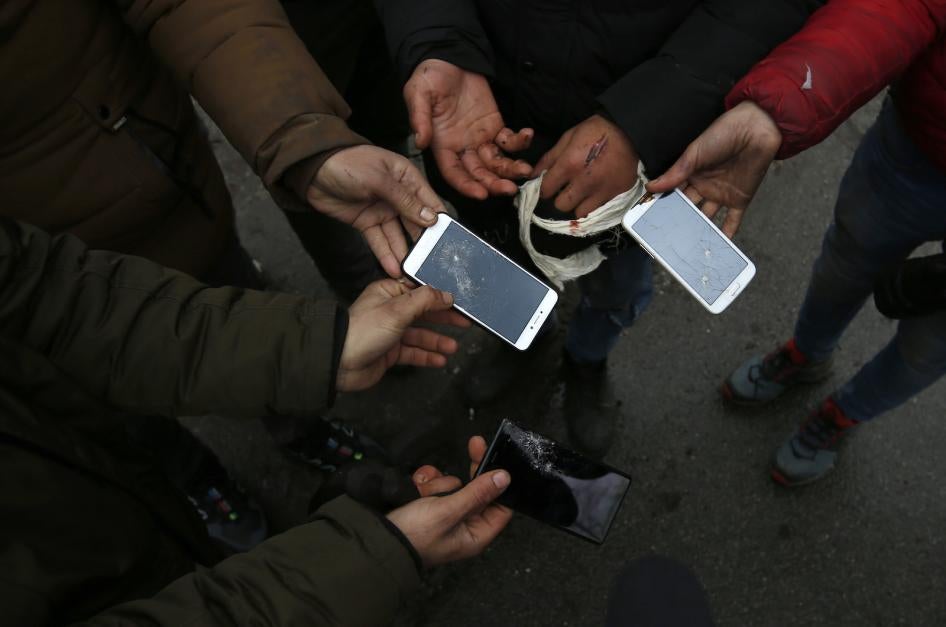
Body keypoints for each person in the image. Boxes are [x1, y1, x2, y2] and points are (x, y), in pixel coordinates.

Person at [0, 0, 451, 543]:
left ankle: (297, 424)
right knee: (117, 406)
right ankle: (195, 479)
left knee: (238, 294)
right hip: (33, 319)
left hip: (173, 191)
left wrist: (303, 140)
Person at [0, 217, 513, 625]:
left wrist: (322, 351)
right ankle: (204, 489)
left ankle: (275, 453)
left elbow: (56, 295)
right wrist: (378, 555)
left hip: (112, 491)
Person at [375, 0, 825, 457]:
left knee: (617, 288)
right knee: (497, 267)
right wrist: (437, 41)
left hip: (643, 160)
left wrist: (640, 120)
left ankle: (587, 359)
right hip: (486, 131)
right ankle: (523, 336)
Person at [648, 0, 946, 485]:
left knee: (930, 348)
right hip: (917, 154)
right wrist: (778, 105)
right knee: (844, 267)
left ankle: (844, 415)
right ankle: (807, 354)